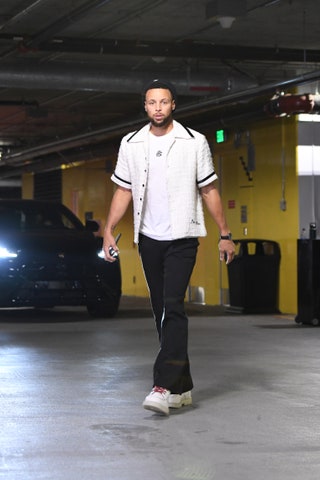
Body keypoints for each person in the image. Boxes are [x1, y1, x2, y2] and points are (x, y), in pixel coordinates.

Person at [103, 79, 235, 416]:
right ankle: (183, 387)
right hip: (148, 239)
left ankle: (162, 386)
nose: (157, 108)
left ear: (173, 104)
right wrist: (108, 230)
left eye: (164, 102)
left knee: (173, 305)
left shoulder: (194, 142)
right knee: (162, 310)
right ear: (145, 106)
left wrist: (224, 232)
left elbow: (209, 190)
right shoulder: (131, 143)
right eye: (151, 102)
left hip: (183, 236)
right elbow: (123, 190)